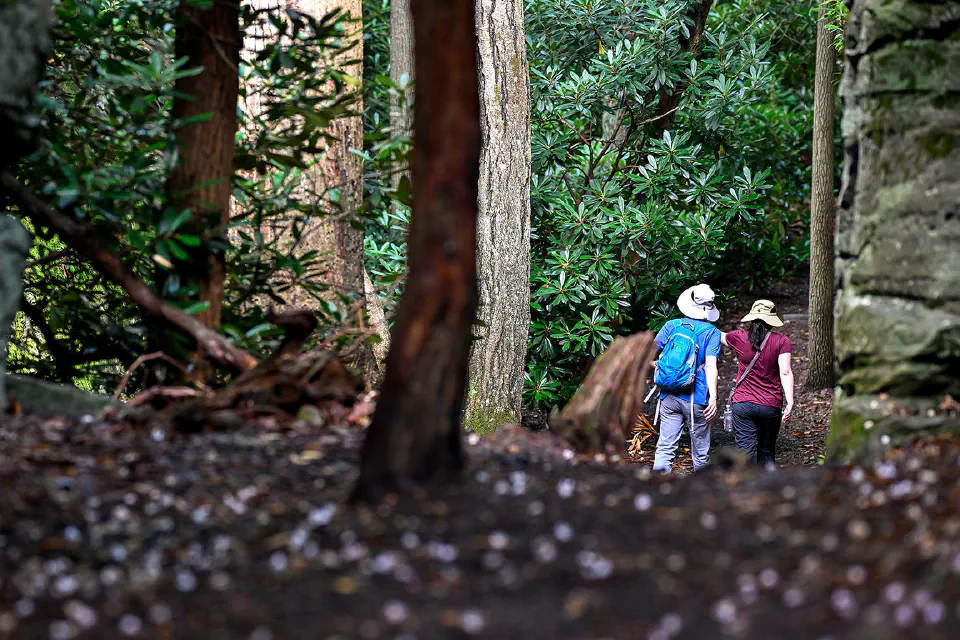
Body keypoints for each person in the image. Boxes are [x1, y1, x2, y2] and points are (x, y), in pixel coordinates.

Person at [651, 284, 722, 473]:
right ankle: (701, 495)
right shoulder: (711, 332)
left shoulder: (671, 325)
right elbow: (710, 366)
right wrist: (713, 398)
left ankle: (658, 489)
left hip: (669, 396)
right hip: (696, 398)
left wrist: (660, 368)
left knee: (665, 448)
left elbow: (648, 356)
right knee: (700, 453)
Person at [721, 300, 795, 466]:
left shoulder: (738, 337)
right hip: (770, 404)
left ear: (752, 318)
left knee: (744, 454)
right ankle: (766, 488)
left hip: (742, 404)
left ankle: (743, 488)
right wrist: (790, 402)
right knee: (767, 451)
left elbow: (717, 336)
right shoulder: (782, 341)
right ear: (772, 319)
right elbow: (785, 371)